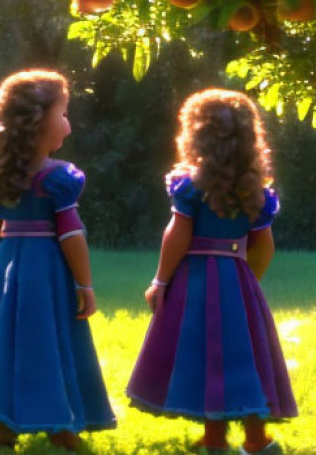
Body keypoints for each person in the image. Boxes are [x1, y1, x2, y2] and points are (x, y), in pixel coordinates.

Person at [0, 69, 116, 451]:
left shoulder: (2, 176)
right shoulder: (59, 177)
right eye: (64, 113)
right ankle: (58, 424)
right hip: (44, 270)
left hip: (2, 266)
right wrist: (85, 285)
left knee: (6, 344)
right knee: (47, 342)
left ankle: (4, 425)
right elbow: (70, 235)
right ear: (38, 123)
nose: (69, 122)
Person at [127, 88, 297, 455]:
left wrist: (160, 280)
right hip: (237, 278)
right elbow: (264, 244)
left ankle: (215, 439)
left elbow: (178, 234)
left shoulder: (190, 186)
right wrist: (248, 283)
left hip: (196, 282)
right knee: (244, 359)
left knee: (206, 356)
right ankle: (256, 439)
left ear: (196, 134)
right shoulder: (256, 192)